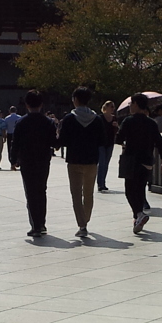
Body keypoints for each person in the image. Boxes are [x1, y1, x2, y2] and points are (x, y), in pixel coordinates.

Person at [58, 86, 106, 237]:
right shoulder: (97, 119)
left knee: (76, 194)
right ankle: (86, 219)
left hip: (74, 160)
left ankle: (82, 224)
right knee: (89, 193)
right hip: (92, 160)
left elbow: (62, 141)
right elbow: (102, 140)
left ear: (76, 100)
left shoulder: (69, 119)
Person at [116, 93, 162, 234]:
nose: (130, 107)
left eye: (131, 104)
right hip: (147, 161)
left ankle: (139, 214)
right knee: (140, 189)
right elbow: (159, 142)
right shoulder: (151, 123)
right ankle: (137, 219)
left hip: (132, 160)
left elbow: (119, 139)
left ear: (137, 104)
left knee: (129, 190)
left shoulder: (128, 121)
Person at [11, 89, 57, 237]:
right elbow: (54, 143)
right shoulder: (48, 122)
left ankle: (35, 225)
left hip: (27, 161)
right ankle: (41, 223)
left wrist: (13, 159)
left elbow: (15, 143)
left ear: (26, 104)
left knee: (30, 192)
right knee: (41, 190)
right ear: (41, 104)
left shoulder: (21, 122)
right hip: (43, 160)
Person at [97, 100, 117, 191]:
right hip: (101, 143)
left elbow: (118, 132)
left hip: (110, 143)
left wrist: (117, 126)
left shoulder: (114, 118)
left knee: (106, 164)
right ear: (106, 108)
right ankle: (100, 183)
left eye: (113, 107)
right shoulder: (100, 118)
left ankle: (103, 182)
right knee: (101, 163)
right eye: (111, 107)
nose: (113, 109)